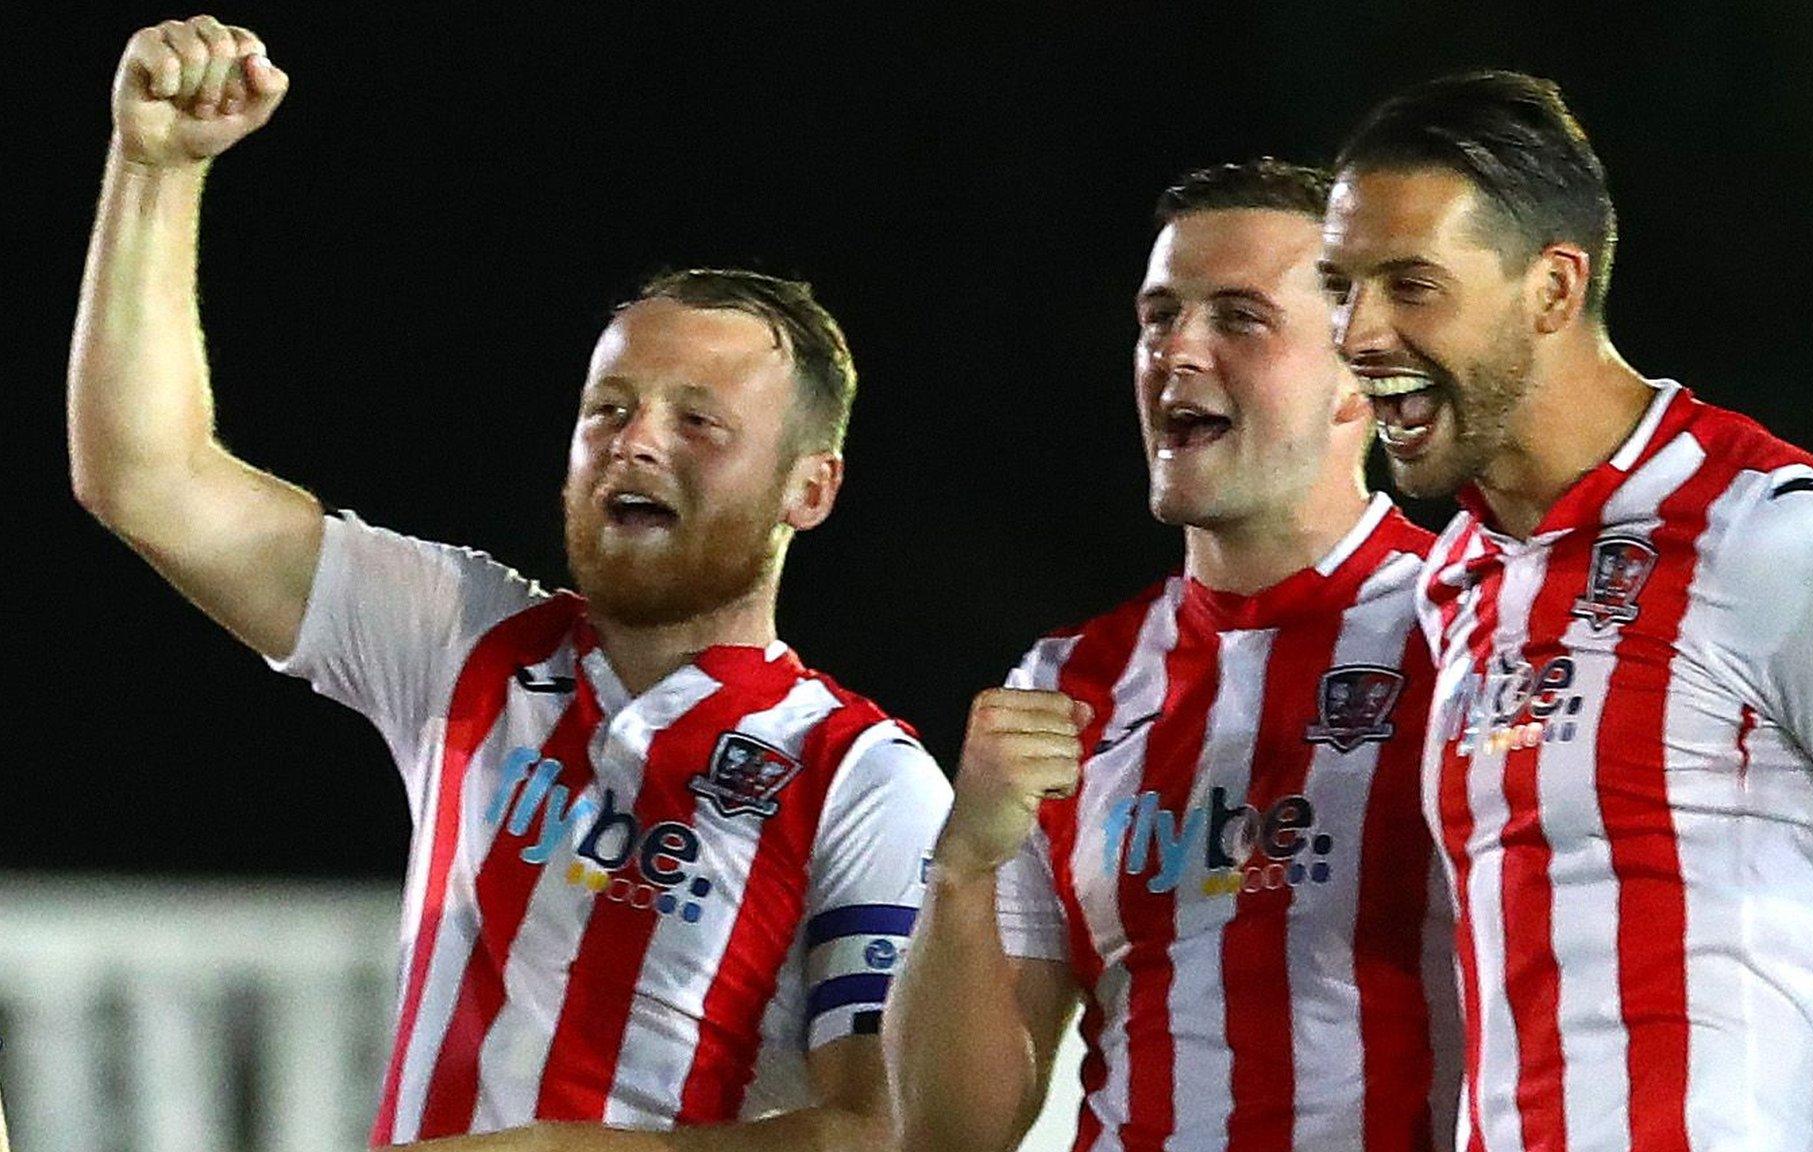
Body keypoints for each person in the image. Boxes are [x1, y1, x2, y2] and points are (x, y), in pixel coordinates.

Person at [69, 17, 948, 1149]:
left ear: (808, 490)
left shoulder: (862, 781)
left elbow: (885, 1132)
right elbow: (149, 481)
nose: (635, 442)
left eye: (698, 422)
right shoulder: (464, 639)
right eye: (608, 409)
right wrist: (154, 170)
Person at [1318, 70, 1813, 1150]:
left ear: (1552, 289)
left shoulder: (1778, 538)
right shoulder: (1457, 578)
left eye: (1410, 286)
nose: (1357, 332)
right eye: (1338, 287)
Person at [886, 160, 1459, 1152]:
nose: (1177, 351)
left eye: (1239, 318)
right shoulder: (1068, 686)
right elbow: (949, 1134)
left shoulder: (1465, 629)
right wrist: (964, 867)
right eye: (1159, 317)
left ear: (1356, 377)